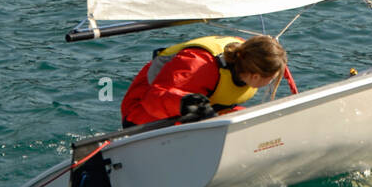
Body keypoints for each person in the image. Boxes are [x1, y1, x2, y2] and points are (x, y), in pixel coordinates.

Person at [120, 34, 291, 127]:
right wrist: (185, 103)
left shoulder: (251, 56)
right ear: (255, 76)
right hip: (143, 113)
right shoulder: (198, 65)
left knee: (246, 120)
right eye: (271, 79)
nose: (272, 83)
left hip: (207, 111)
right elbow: (154, 99)